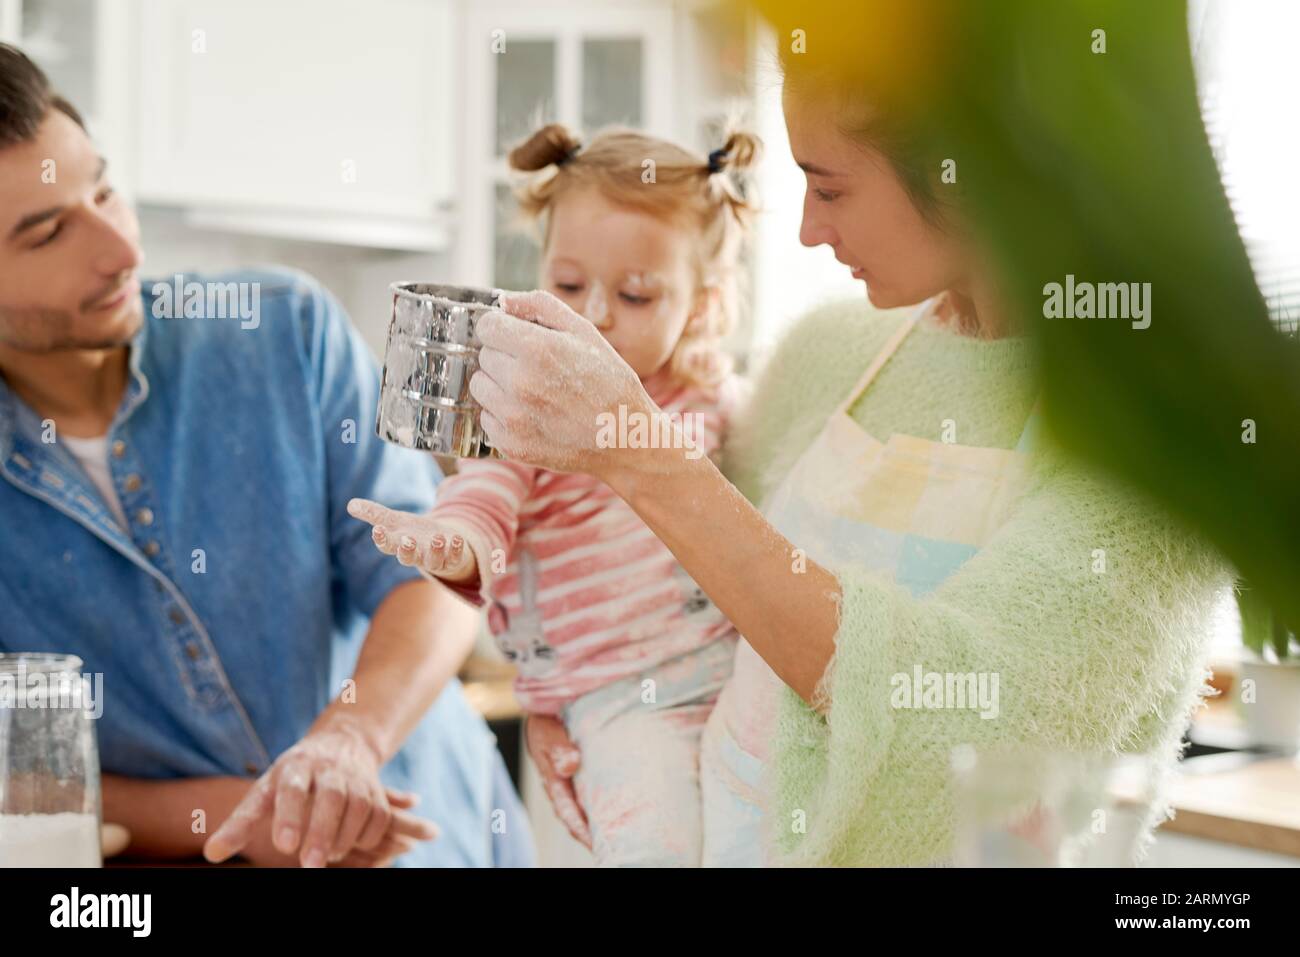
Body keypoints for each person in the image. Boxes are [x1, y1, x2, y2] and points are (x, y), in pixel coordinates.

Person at [461, 19, 1229, 865]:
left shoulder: (1153, 444)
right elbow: (681, 588)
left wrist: (637, 445)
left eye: (828, 189)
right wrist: (576, 696)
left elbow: (969, 728)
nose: (804, 232)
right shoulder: (827, 352)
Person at [0, 43, 532, 868]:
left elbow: (438, 572)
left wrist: (347, 743)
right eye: (46, 232)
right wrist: (244, 817)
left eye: (104, 188)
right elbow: (14, 781)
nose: (120, 250)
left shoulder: (282, 331)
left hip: (436, 837)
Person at [348, 122, 757, 866]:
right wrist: (449, 544)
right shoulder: (529, 415)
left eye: (636, 294)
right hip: (621, 705)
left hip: (742, 681)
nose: (593, 314)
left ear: (699, 305)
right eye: (568, 285)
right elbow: (484, 504)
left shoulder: (716, 400)